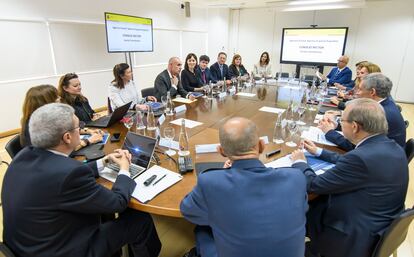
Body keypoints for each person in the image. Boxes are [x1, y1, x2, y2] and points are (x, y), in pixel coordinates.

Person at [2, 103, 161, 257]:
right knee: (140, 220)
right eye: (79, 128)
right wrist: (125, 169)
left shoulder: (23, 155)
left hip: (26, 246)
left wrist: (103, 162)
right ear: (67, 137)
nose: (84, 131)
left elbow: (61, 176)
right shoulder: (69, 173)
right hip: (62, 250)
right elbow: (117, 203)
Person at [290, 98, 408, 257]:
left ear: (354, 126)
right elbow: (352, 164)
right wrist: (319, 152)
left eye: (341, 120)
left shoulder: (361, 158)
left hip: (351, 238)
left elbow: (313, 184)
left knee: (291, 209)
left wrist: (299, 162)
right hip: (376, 224)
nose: (339, 123)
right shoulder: (390, 146)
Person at [180, 117, 307, 257]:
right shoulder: (296, 178)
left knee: (202, 229)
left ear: (221, 151)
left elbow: (188, 211)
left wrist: (222, 175)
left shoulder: (210, 181)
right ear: (261, 145)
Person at [320, 73, 406, 150]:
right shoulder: (385, 103)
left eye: (360, 89)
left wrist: (329, 132)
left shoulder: (381, 113)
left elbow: (356, 146)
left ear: (372, 92)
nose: (357, 93)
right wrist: (337, 125)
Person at [20, 85, 102, 149]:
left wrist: (89, 131)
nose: (59, 98)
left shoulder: (45, 118)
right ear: (46, 103)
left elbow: (66, 128)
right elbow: (62, 149)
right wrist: (88, 141)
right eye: (56, 97)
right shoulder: (39, 127)